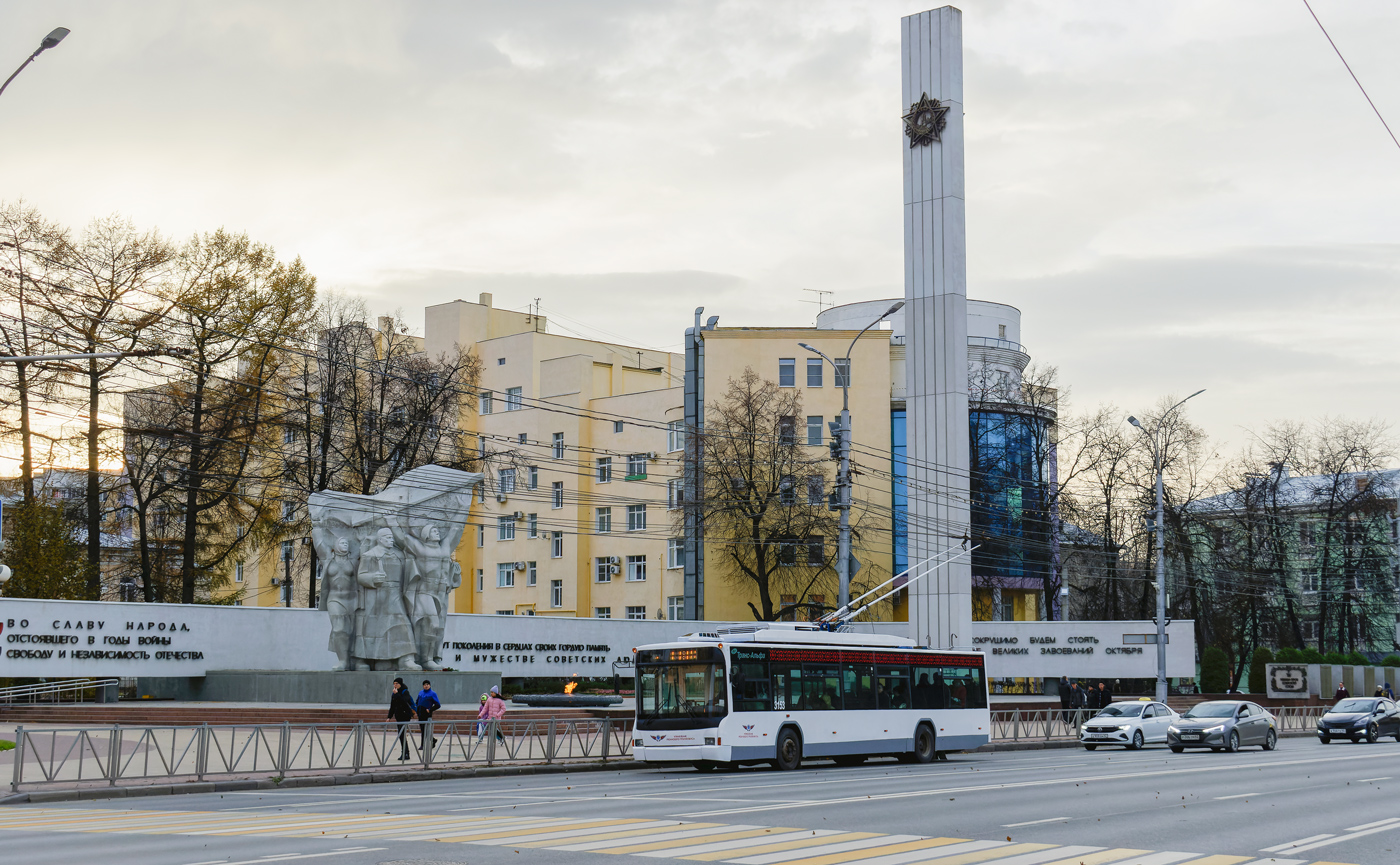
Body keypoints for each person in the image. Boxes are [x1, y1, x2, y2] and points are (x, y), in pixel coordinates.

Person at [387, 677, 415, 761]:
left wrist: (397, 694)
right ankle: (405, 753)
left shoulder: (405, 691)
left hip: (405, 715)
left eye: (397, 683)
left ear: (400, 684)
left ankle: (405, 753)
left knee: (402, 734)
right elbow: (392, 706)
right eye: (394, 684)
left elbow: (404, 701)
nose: (395, 685)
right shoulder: (394, 694)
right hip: (398, 716)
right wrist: (389, 716)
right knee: (401, 735)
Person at [416, 679, 441, 754]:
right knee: (423, 729)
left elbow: (438, 705)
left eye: (427, 684)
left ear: (430, 685)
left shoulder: (432, 693)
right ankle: (433, 740)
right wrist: (416, 709)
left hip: (426, 713)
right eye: (424, 685)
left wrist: (430, 709)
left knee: (425, 729)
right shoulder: (421, 692)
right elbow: (417, 701)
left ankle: (422, 745)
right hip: (420, 713)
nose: (426, 686)